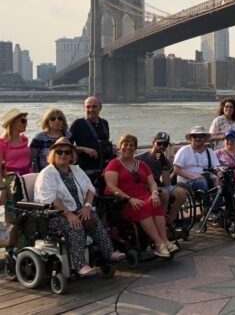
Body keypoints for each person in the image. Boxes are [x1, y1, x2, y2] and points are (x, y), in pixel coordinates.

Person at [34, 137, 125, 276]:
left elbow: (90, 189)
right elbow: (51, 199)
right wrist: (69, 214)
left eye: (67, 152)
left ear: (72, 155)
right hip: (53, 214)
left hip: (78, 210)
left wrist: (87, 206)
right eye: (59, 152)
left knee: (93, 218)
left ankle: (109, 253)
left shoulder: (75, 170)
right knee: (74, 225)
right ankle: (80, 265)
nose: (63, 155)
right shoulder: (47, 174)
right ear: (53, 154)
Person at [104, 134, 176, 258]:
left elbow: (152, 182)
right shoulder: (114, 164)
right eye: (125, 144)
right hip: (125, 200)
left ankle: (165, 241)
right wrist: (129, 199)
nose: (128, 147)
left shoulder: (141, 164)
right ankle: (158, 244)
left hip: (144, 196)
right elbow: (111, 187)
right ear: (120, 148)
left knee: (155, 203)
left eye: (131, 145)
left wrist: (154, 194)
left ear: (135, 148)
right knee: (143, 207)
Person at [136, 132, 188, 227]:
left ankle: (169, 220)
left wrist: (164, 165)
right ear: (153, 143)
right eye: (159, 144)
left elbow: (167, 183)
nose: (162, 147)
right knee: (164, 193)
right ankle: (161, 222)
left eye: (165, 144)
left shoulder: (165, 161)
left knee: (181, 193)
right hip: (145, 186)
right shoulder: (141, 158)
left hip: (158, 185)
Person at [69, 96, 114, 179]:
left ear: (100, 108)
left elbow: (104, 142)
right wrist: (84, 149)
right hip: (85, 169)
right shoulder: (78, 124)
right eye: (88, 107)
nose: (91, 109)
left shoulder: (104, 123)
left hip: (103, 167)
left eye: (94, 106)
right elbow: (67, 147)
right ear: (84, 108)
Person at [173, 126, 220, 194]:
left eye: (201, 136)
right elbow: (176, 170)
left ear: (204, 138)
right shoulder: (184, 150)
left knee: (225, 181)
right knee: (202, 183)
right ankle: (208, 203)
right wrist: (193, 177)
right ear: (191, 138)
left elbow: (218, 168)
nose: (198, 138)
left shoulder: (210, 152)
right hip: (187, 181)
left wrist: (219, 178)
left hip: (207, 178)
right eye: (195, 136)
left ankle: (223, 204)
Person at [0, 108, 32, 176]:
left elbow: (28, 162)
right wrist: (1, 184)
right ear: (12, 123)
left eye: (26, 121)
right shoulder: (2, 143)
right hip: (12, 179)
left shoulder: (24, 140)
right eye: (23, 121)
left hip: (27, 177)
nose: (26, 124)